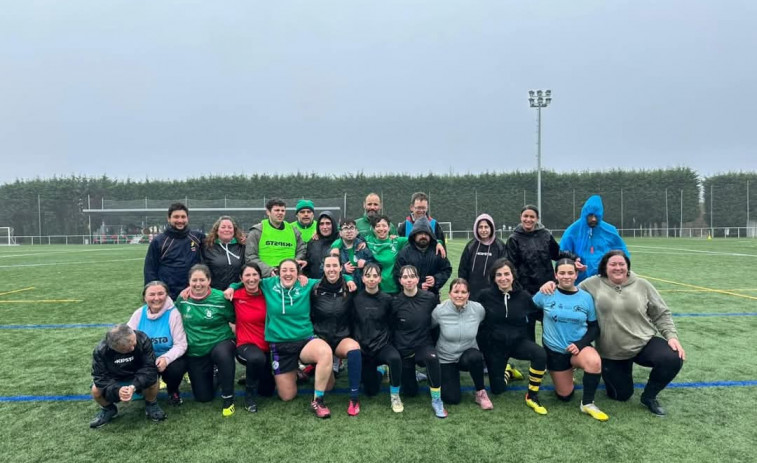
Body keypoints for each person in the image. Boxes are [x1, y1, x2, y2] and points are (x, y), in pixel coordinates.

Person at [579, 250, 685, 416]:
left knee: (673, 357)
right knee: (621, 396)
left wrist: (671, 337)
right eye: (613, 264)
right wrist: (549, 287)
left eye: (622, 264)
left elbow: (661, 312)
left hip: (643, 342)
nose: (618, 267)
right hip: (612, 351)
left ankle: (649, 396)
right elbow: (569, 293)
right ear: (605, 267)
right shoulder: (591, 284)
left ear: (627, 266)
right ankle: (617, 373)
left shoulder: (642, 284)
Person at [532, 259, 609, 421]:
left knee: (594, 361)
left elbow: (594, 327)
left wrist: (580, 344)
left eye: (570, 273)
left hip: (578, 348)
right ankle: (567, 372)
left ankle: (587, 403)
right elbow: (528, 309)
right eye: (562, 273)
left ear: (576, 274)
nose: (566, 276)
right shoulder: (546, 293)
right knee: (564, 395)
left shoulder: (586, 298)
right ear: (556, 275)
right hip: (555, 351)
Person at [261, 259, 334, 418]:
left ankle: (318, 400)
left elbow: (331, 278)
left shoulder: (306, 284)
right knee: (287, 396)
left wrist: (349, 280)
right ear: (278, 272)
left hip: (304, 340)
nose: (288, 274)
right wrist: (232, 287)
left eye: (292, 270)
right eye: (284, 270)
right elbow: (247, 280)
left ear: (298, 273)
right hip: (280, 345)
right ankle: (297, 371)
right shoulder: (267, 284)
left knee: (325, 356)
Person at [477, 258, 548, 415]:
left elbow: (540, 314)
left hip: (518, 343)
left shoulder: (523, 296)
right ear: (493, 278)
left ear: (513, 276)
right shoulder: (484, 296)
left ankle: (532, 395)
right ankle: (507, 372)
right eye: (499, 275)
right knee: (497, 390)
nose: (503, 278)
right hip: (494, 347)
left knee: (540, 354)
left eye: (507, 274)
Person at [506, 205, 580, 341]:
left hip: (548, 289)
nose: (528, 219)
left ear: (537, 219)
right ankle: (533, 359)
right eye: (525, 216)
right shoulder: (514, 239)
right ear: (520, 217)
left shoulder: (545, 235)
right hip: (526, 291)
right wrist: (517, 290)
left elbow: (557, 253)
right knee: (528, 328)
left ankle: (552, 355)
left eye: (532, 217)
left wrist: (574, 258)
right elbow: (511, 267)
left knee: (551, 324)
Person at [175, 264, 237, 416]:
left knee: (222, 354)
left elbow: (234, 319)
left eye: (202, 280)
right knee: (204, 397)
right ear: (189, 281)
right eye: (194, 280)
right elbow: (175, 322)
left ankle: (228, 398)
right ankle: (215, 374)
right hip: (196, 351)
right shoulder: (182, 299)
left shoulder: (221, 298)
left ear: (209, 280)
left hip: (220, 342)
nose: (198, 284)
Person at [391, 265, 448, 418]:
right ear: (400, 280)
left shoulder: (429, 298)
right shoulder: (395, 302)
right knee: (410, 392)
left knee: (432, 358)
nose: (409, 280)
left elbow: (438, 321)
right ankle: (413, 375)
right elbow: (392, 327)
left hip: (424, 345)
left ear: (417, 279)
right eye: (405, 277)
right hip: (404, 349)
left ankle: (437, 400)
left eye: (412, 276)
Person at [310, 255, 362, 415]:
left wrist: (349, 278)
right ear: (323, 268)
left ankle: (354, 398)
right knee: (329, 385)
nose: (331, 269)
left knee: (354, 349)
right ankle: (318, 395)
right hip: (321, 339)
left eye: (335, 266)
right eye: (328, 266)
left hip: (341, 338)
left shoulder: (350, 287)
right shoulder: (314, 288)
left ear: (341, 268)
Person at [350, 262, 404, 412]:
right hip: (363, 349)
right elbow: (352, 323)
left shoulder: (387, 299)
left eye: (375, 276)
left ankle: (395, 396)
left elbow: (392, 323)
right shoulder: (355, 299)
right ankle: (380, 371)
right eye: (368, 276)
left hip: (381, 346)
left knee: (394, 358)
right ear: (362, 278)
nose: (371, 279)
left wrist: (387, 342)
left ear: (380, 279)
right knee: (371, 391)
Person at [431, 278, 492, 410]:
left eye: (463, 292)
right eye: (456, 291)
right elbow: (429, 328)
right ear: (450, 293)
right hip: (446, 358)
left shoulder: (478, 309)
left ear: (468, 295)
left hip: (467, 355)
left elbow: (486, 325)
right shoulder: (439, 311)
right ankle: (450, 376)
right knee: (452, 399)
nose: (459, 295)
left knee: (476, 357)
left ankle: (480, 392)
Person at [90, 324, 165, 428]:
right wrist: (118, 390)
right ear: (114, 347)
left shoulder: (142, 339)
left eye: (134, 343)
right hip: (115, 379)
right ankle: (108, 409)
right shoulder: (101, 351)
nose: (133, 348)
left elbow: (149, 368)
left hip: (137, 374)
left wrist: (133, 386)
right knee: (95, 390)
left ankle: (151, 404)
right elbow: (100, 377)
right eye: (127, 349)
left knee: (154, 380)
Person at [126, 281, 187, 407]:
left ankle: (173, 390)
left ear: (167, 295)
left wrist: (166, 358)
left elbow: (181, 345)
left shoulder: (174, 314)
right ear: (144, 297)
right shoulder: (138, 314)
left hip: (167, 357)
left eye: (160, 294)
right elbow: (126, 338)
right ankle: (141, 387)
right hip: (145, 358)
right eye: (152, 294)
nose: (156, 298)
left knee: (176, 369)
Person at [231, 263, 276, 413]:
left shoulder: (267, 293)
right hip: (245, 344)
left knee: (267, 391)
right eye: (247, 275)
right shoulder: (235, 296)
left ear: (260, 277)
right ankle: (249, 396)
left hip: (265, 345)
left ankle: (253, 376)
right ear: (241, 279)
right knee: (256, 359)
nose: (251, 279)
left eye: (254, 275)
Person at [560, 195, 629, 283]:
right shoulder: (572, 232)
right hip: (579, 281)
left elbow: (622, 253)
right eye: (590, 215)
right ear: (584, 214)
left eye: (596, 216)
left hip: (606, 280)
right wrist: (572, 263)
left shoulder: (609, 231)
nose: (593, 219)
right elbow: (562, 254)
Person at [144, 203, 205, 299]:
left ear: (187, 218)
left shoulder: (198, 237)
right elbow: (150, 269)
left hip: (193, 292)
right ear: (169, 218)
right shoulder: (158, 241)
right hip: (168, 294)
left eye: (183, 217)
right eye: (176, 217)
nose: (180, 220)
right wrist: (151, 292)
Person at [245, 198, 307, 277]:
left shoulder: (294, 231)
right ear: (268, 212)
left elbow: (302, 250)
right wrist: (269, 271)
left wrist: (294, 264)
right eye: (277, 210)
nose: (280, 213)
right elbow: (250, 257)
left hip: (290, 275)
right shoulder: (257, 231)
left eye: (283, 211)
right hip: (266, 277)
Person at [395, 216, 452, 301]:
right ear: (414, 235)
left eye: (426, 233)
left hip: (432, 297)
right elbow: (397, 274)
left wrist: (436, 280)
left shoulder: (437, 251)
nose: (423, 236)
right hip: (410, 298)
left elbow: (447, 270)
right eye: (420, 233)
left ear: (430, 235)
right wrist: (417, 285)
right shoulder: (404, 253)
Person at [458, 213, 507, 301]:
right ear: (476, 229)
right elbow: (463, 269)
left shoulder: (500, 246)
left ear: (491, 228)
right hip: (473, 294)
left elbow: (504, 269)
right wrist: (464, 288)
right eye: (480, 227)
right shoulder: (471, 245)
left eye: (486, 227)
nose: (483, 230)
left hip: (493, 294)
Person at [363, 215, 408, 295]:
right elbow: (346, 239)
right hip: (373, 289)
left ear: (389, 228)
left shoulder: (396, 241)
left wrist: (437, 244)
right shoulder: (367, 241)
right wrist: (336, 247)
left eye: (384, 226)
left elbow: (418, 238)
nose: (381, 229)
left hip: (393, 289)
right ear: (373, 229)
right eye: (378, 226)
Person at [202, 215, 246, 291]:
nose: (226, 229)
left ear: (234, 230)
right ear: (217, 230)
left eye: (229, 227)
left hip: (237, 292)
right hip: (215, 293)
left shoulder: (242, 247)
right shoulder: (207, 247)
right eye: (223, 227)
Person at [331, 218, 373, 291]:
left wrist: (366, 264)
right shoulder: (335, 250)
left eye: (352, 228)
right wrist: (342, 269)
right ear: (340, 233)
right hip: (342, 291)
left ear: (356, 231)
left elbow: (377, 265)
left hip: (362, 291)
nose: (349, 231)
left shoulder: (363, 248)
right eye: (345, 228)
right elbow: (324, 269)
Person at [304, 211, 339, 279]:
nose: (325, 227)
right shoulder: (312, 242)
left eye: (328, 223)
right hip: (316, 284)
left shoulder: (341, 240)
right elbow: (307, 264)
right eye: (321, 224)